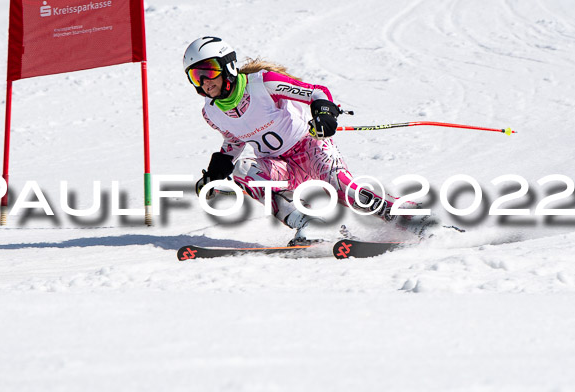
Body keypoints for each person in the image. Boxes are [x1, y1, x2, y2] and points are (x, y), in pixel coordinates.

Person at [183, 36, 432, 245]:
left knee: (347, 191)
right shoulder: (211, 112)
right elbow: (234, 141)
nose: (205, 82)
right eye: (196, 76)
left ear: (228, 66)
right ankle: (312, 226)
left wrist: (324, 112)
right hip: (278, 166)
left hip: (309, 146)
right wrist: (216, 171)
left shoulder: (263, 83)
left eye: (209, 71)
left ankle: (411, 218)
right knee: (242, 170)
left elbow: (315, 92)